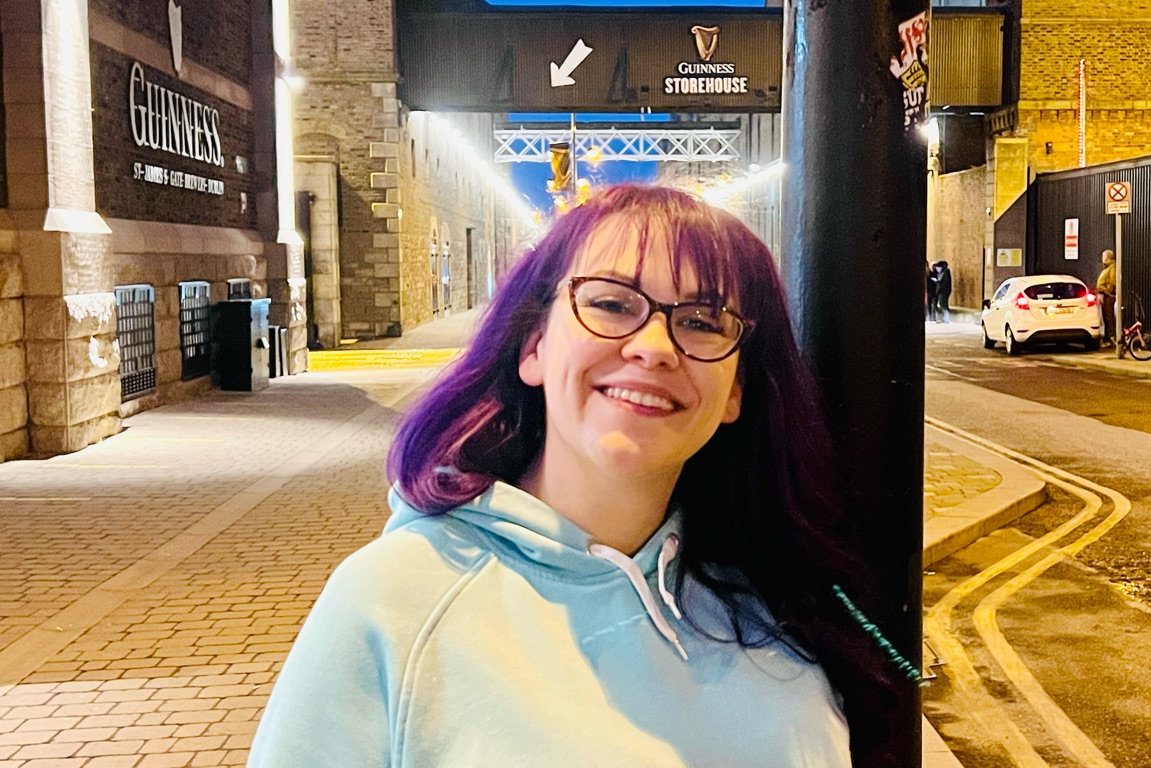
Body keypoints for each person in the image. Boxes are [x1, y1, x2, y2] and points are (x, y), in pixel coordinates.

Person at [246, 185, 917, 768]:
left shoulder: (781, 602)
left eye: (701, 322)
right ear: (534, 345)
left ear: (735, 390)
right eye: (613, 305)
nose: (654, 348)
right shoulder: (392, 603)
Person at [1096, 249, 1117, 347]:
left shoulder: (1112, 268)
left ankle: (1111, 339)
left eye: (1103, 257)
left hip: (1108, 296)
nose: (1102, 259)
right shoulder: (1108, 267)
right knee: (1106, 317)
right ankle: (1108, 339)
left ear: (1108, 258)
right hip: (1105, 295)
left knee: (1109, 317)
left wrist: (1105, 291)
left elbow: (1112, 282)